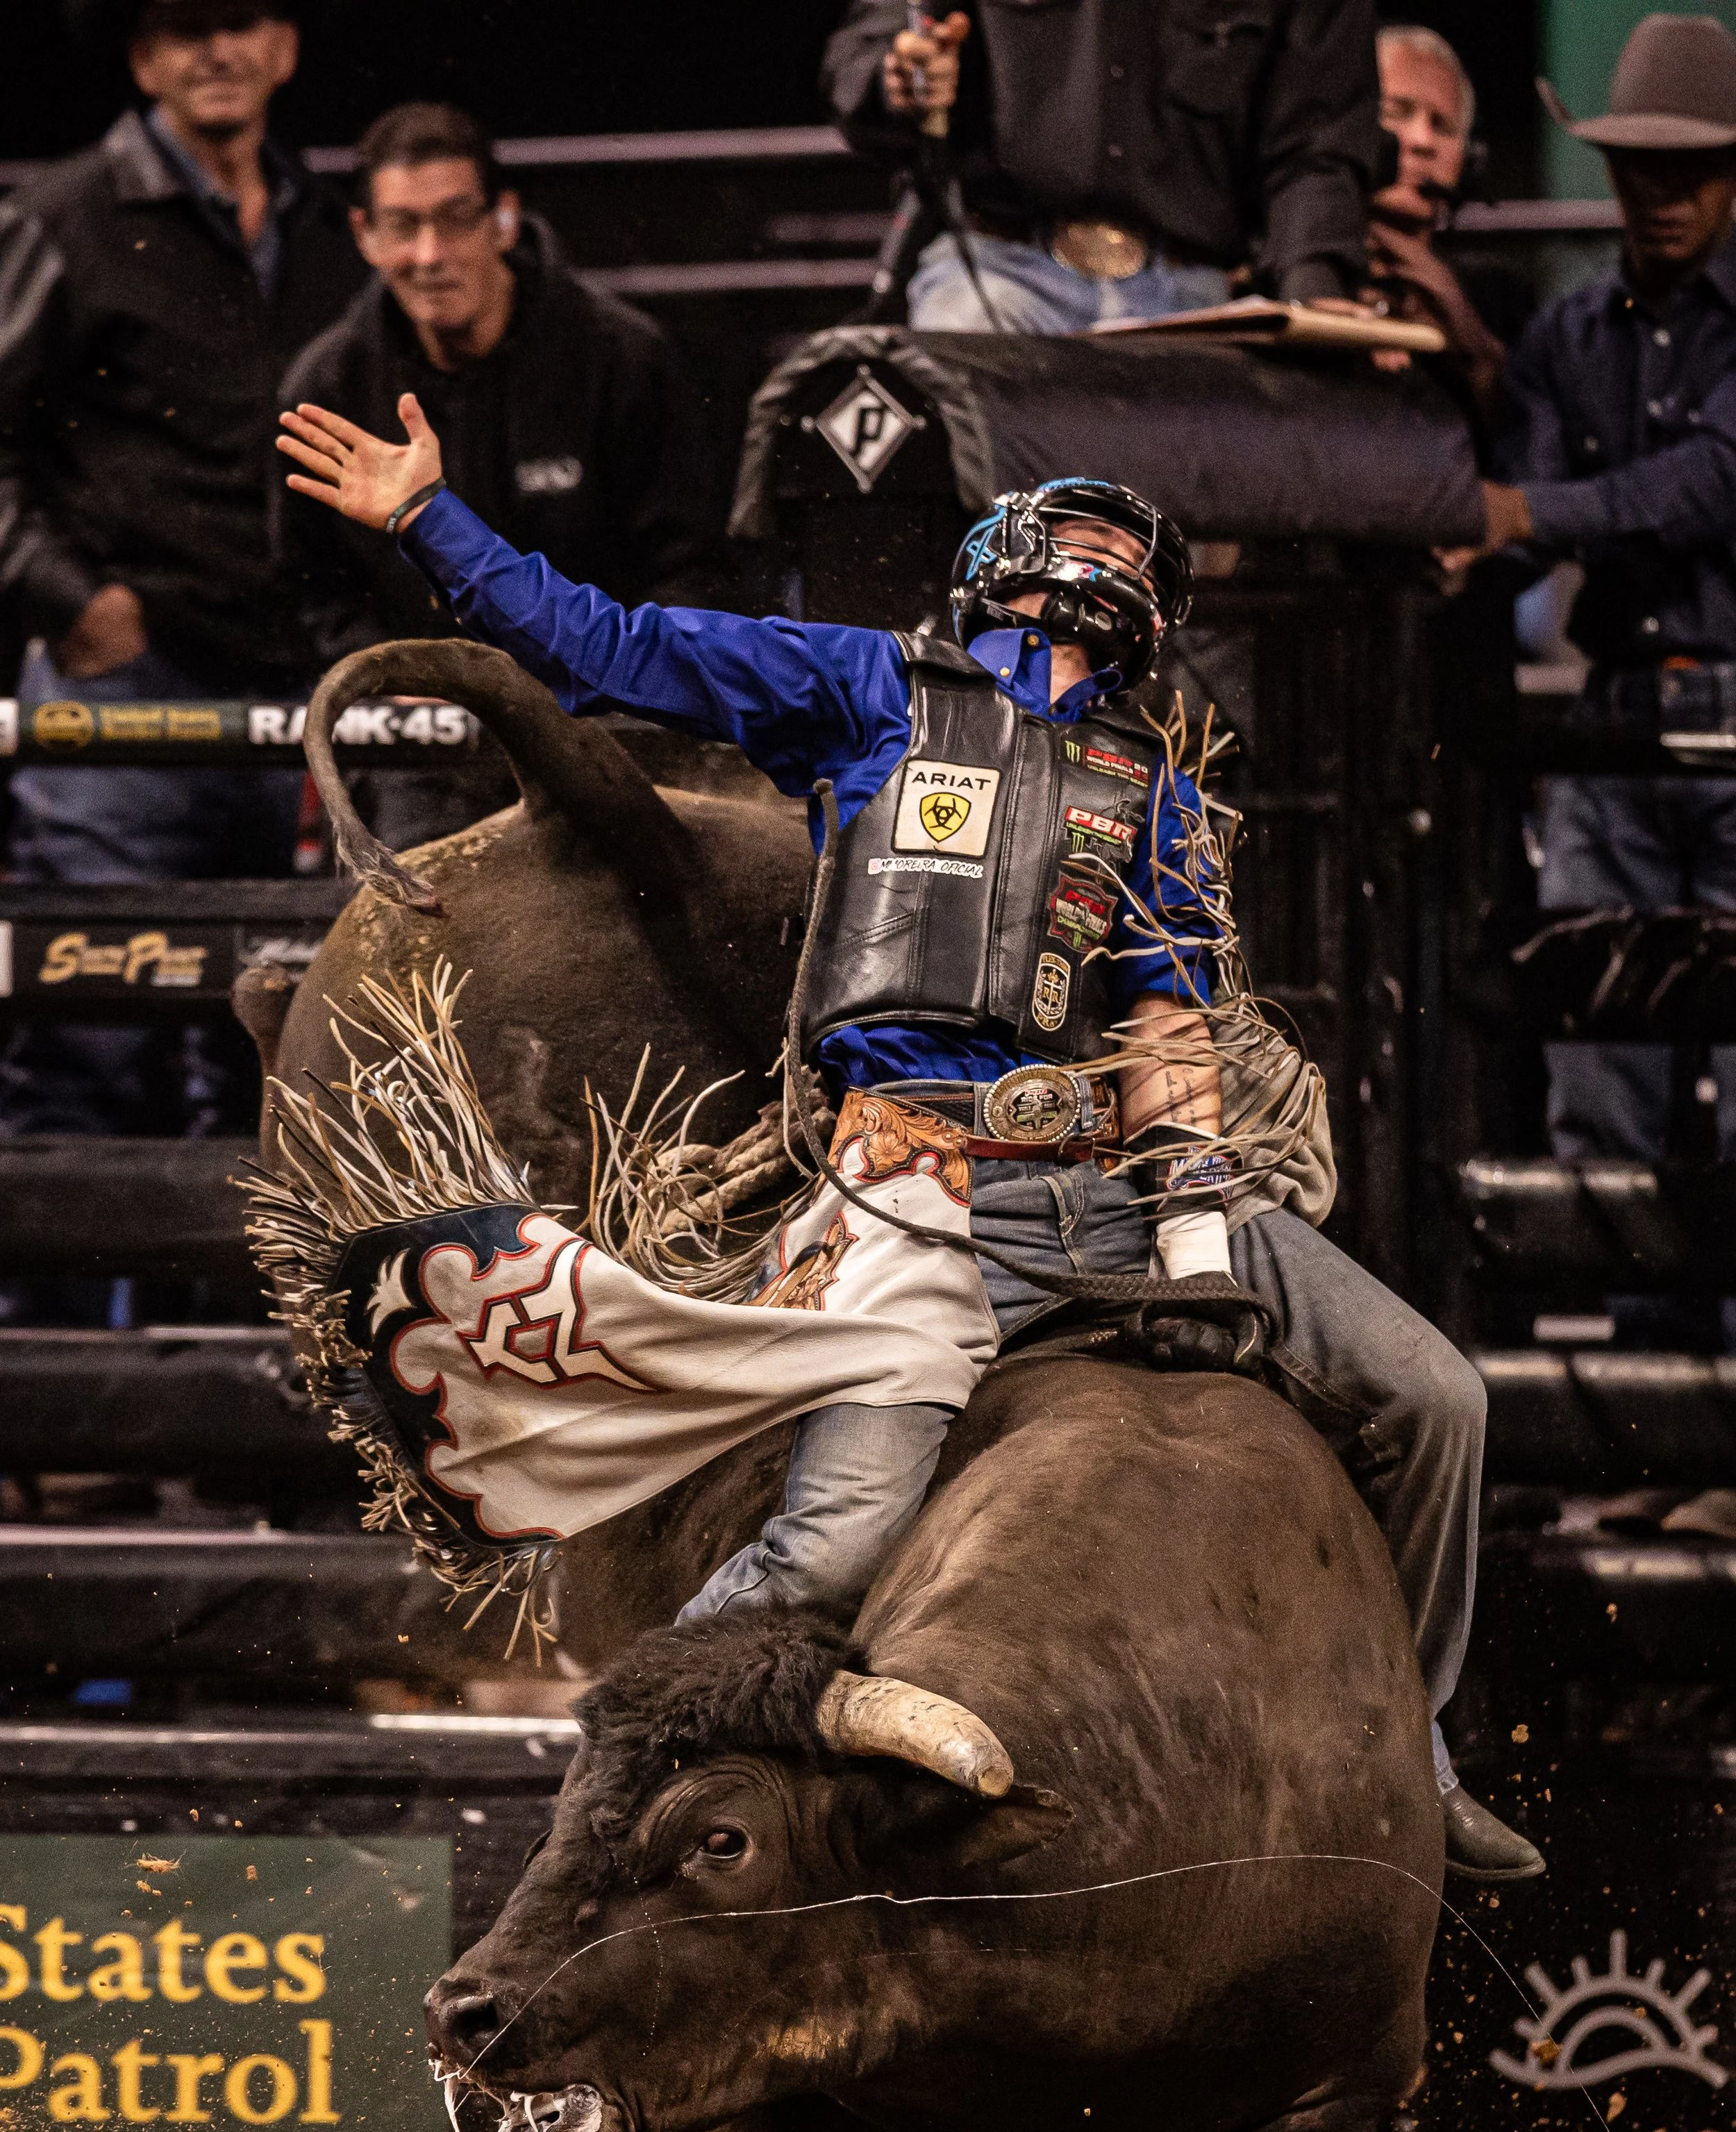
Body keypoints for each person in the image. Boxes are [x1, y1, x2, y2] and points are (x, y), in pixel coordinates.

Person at [275, 391, 1542, 1882]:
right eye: (1066, 536)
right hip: (920, 1186)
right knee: (828, 1540)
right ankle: (604, 1792)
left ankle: (1412, 1747)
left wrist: (1200, 1234)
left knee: (1434, 1398)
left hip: (1112, 1186)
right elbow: (610, 647)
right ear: (999, 568)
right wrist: (433, 517)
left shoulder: (1155, 791)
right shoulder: (868, 686)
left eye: (1115, 548)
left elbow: (1169, 1021)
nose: (1090, 564)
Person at [0, 0, 363, 1142]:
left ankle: (253, 1323)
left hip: (289, 686)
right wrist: (66, 597)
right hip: (129, 689)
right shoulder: (65, 215)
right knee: (89, 1031)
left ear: (285, 47)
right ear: (146, 57)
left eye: (242, 20)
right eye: (185, 27)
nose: (217, 50)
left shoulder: (325, 221)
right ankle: (47, 1327)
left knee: (273, 1043)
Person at [274, 101, 715, 849]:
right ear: (364, 236)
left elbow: (689, 567)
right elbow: (310, 590)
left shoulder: (621, 358)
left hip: (608, 726)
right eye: (401, 226)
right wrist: (392, 674)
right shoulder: (329, 386)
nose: (428, 253)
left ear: (502, 220)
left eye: (454, 219)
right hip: (422, 746)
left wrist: (614, 682)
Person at [1458, 15, 1736, 1182]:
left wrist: (1518, 519)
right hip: (1617, 722)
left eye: (1688, 172)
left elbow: (1708, 485)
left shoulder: (1582, 338)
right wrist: (1459, 545)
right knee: (1595, 1058)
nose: (1659, 196)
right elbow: (1527, 510)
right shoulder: (1572, 336)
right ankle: (1631, 1330)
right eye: (1639, 170)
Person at [822, 1, 1380, 335]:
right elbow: (868, 51)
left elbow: (1318, 135)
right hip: (1001, 277)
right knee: (967, 474)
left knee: (1195, 512)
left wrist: (1316, 289)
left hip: (1195, 305)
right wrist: (900, 79)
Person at [1365, 24, 1526, 414]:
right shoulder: (1291, 273)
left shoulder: (1500, 299)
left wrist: (1476, 349)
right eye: (1397, 113)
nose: (1422, 141)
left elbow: (1524, 450)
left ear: (1469, 163)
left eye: (1443, 126)